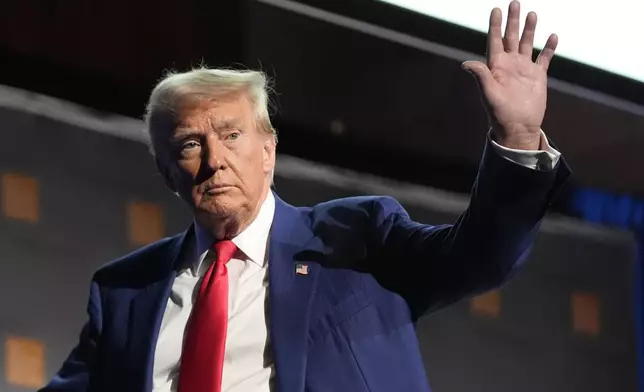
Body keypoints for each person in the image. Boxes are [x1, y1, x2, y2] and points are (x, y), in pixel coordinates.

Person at [42, 2, 570, 391]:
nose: (214, 160)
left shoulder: (356, 239)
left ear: (268, 151)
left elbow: (479, 259)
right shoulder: (124, 292)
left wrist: (518, 139)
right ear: (165, 170)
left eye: (231, 136)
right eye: (189, 145)